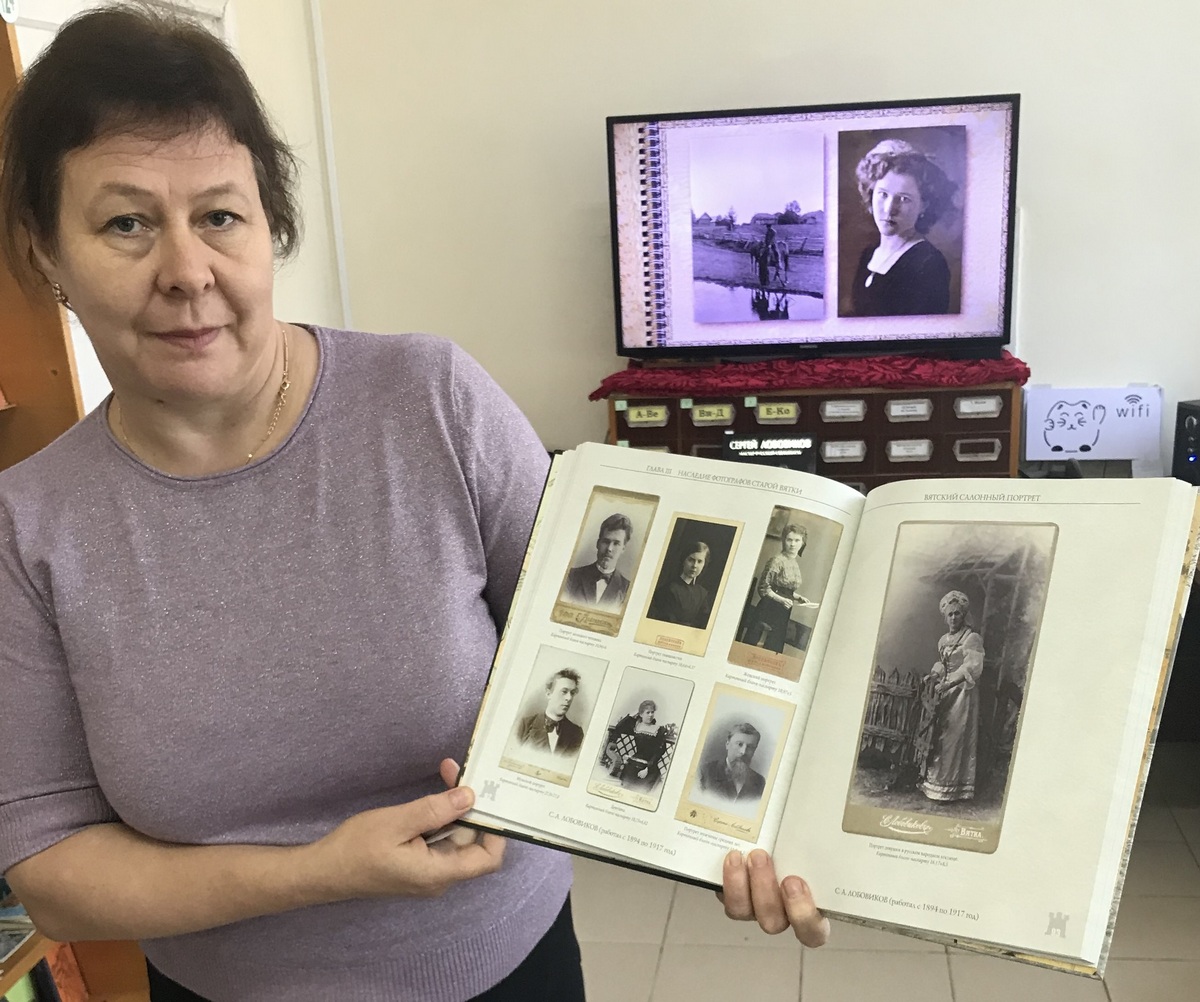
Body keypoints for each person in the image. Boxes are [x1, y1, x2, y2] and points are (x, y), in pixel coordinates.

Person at [0, 8, 828, 1000]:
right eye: (126, 224)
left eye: (219, 216)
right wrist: (318, 873)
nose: (186, 272)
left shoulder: (432, 401)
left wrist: (767, 827)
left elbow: (634, 651)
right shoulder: (27, 527)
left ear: (270, 227)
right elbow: (53, 873)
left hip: (504, 969)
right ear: (46, 252)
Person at [847, 138, 957, 317]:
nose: (890, 209)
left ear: (924, 205)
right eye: (883, 194)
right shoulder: (869, 254)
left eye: (904, 199)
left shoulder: (928, 263)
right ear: (871, 194)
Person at [918, 591, 985, 802]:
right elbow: (943, 663)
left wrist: (950, 683)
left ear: (963, 615)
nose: (954, 618)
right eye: (950, 614)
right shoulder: (943, 640)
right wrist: (934, 675)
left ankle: (952, 788)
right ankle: (934, 783)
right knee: (939, 735)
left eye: (957, 613)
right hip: (944, 691)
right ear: (945, 617)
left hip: (962, 692)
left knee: (953, 737)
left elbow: (971, 667)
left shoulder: (971, 638)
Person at [741, 524, 817, 653]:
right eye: (789, 540)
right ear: (784, 540)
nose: (793, 544)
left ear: (803, 543)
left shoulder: (794, 563)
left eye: (797, 540)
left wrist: (798, 597)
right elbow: (764, 588)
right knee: (759, 646)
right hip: (769, 609)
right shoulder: (776, 561)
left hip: (783, 611)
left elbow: (784, 589)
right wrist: (781, 600)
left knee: (773, 646)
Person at [561, 513, 632, 610]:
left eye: (616, 543)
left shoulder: (628, 590)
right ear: (598, 543)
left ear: (623, 548)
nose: (609, 549)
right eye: (606, 542)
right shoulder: (571, 576)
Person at [515, 669, 585, 756]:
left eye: (572, 693)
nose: (569, 698)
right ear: (549, 694)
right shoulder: (525, 725)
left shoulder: (576, 733)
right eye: (564, 692)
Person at [647, 540, 713, 628]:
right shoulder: (668, 589)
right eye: (691, 560)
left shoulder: (702, 594)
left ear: (704, 565)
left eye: (699, 561)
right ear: (683, 561)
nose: (694, 565)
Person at [604, 699, 670, 788]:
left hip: (649, 767)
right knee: (625, 785)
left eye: (652, 712)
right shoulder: (637, 727)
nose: (650, 715)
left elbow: (659, 751)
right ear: (641, 714)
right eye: (647, 712)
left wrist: (647, 769)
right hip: (634, 763)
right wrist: (633, 714)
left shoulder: (659, 730)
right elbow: (619, 727)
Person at [699, 723, 767, 803]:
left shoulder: (759, 782)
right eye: (739, 744)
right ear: (727, 744)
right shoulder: (705, 772)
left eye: (750, 747)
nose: (743, 752)